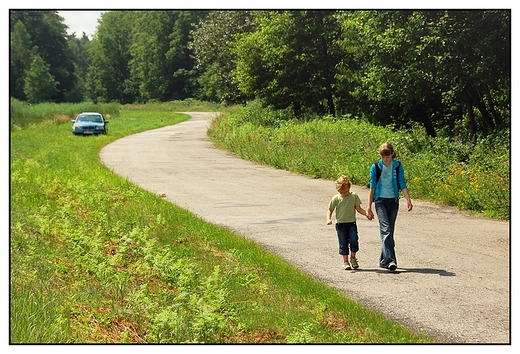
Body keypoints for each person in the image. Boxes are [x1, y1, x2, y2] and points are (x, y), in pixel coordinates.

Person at [367, 142, 413, 272]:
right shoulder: (375, 167)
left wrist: (408, 200)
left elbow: (402, 182)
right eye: (383, 157)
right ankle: (391, 261)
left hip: (393, 201)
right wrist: (369, 207)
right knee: (386, 229)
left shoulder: (397, 166)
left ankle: (383, 260)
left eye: (387, 157)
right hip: (380, 201)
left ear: (392, 154)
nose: (385, 159)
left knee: (389, 231)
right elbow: (372, 187)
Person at [327, 175, 372, 270]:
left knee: (354, 240)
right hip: (340, 224)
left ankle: (353, 258)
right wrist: (329, 219)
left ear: (349, 188)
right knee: (343, 242)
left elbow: (358, 208)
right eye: (341, 192)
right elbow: (330, 209)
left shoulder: (354, 196)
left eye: (346, 191)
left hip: (351, 223)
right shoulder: (336, 198)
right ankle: (345, 262)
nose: (344, 193)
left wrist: (366, 214)